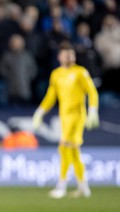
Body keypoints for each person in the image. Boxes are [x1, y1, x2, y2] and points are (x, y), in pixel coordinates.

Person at [32, 41, 99, 199]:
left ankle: (61, 186)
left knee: (64, 148)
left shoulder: (81, 72)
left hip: (77, 116)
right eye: (66, 53)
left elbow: (92, 92)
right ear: (59, 56)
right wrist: (39, 112)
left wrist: (93, 110)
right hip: (64, 117)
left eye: (72, 53)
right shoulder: (56, 74)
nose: (69, 56)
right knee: (74, 151)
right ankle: (84, 187)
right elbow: (51, 96)